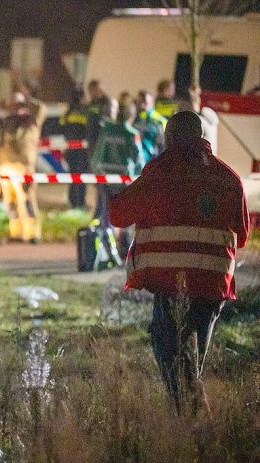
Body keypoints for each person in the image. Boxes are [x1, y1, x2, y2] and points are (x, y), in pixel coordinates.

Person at [108, 111, 250, 412]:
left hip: (171, 281)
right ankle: (194, 421)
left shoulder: (159, 173)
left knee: (171, 353)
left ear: (169, 138)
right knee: (191, 360)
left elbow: (118, 214)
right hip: (213, 284)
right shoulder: (227, 177)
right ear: (201, 137)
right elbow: (242, 234)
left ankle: (192, 418)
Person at [0, 90, 46, 243]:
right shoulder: (6, 123)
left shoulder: (31, 122)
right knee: (10, 202)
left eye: (18, 104)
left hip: (23, 167)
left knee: (26, 200)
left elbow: (41, 108)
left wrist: (27, 98)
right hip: (5, 166)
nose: (15, 108)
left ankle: (32, 234)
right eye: (12, 105)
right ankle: (16, 233)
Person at [91, 98, 145, 230]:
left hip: (105, 179)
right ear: (131, 116)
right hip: (124, 180)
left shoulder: (106, 131)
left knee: (106, 212)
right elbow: (139, 160)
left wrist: (97, 173)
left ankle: (106, 238)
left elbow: (97, 155)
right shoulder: (132, 134)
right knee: (125, 215)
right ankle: (124, 241)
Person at [59, 88, 92, 209]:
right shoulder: (84, 113)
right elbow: (89, 130)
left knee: (73, 177)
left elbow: (61, 128)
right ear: (81, 98)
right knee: (82, 178)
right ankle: (80, 203)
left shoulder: (67, 113)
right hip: (82, 151)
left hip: (70, 150)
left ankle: (72, 202)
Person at [133, 90, 168, 161]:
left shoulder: (160, 121)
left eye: (145, 102)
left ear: (151, 103)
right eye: (139, 102)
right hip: (137, 158)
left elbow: (164, 144)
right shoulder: (134, 118)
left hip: (152, 160)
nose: (142, 105)